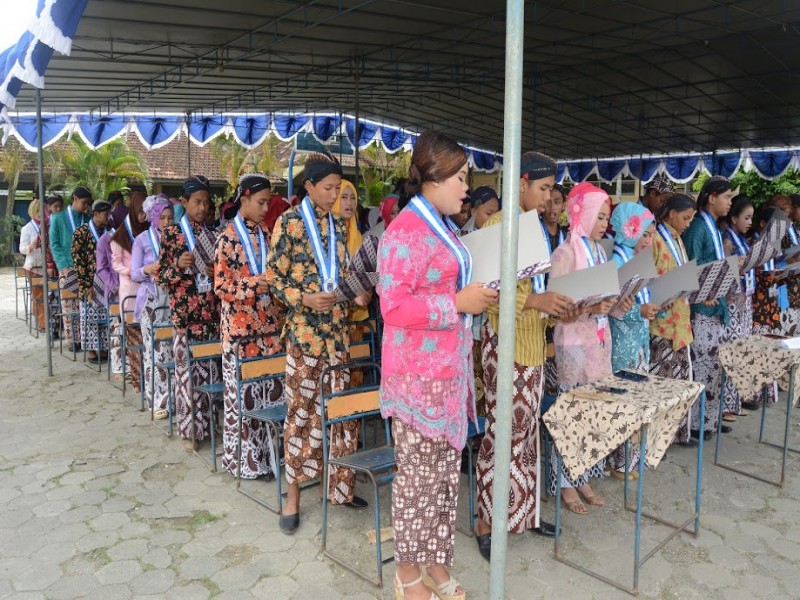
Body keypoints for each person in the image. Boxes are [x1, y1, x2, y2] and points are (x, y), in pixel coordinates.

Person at [379, 130, 497, 600]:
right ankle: (407, 574)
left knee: (444, 478)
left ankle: (435, 561)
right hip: (416, 380)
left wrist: (477, 295)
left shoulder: (442, 226)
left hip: (447, 374)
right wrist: (457, 304)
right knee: (417, 481)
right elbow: (393, 307)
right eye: (461, 178)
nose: (467, 189)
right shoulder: (405, 231)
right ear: (435, 176)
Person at [266, 153, 371, 536]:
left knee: (340, 414)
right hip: (305, 337)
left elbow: (341, 273)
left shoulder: (339, 225)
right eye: (328, 188)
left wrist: (356, 292)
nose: (334, 194)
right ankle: (292, 497)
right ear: (309, 187)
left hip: (337, 335)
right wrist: (304, 299)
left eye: (338, 188)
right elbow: (274, 278)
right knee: (300, 417)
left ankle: (339, 488)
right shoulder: (289, 223)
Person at [475, 152, 573, 561]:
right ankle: (485, 521)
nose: (549, 197)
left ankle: (523, 513)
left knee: (527, 432)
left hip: (532, 342)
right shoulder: (497, 225)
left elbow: (535, 290)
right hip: (505, 345)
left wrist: (558, 307)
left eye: (552, 190)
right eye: (543, 188)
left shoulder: (532, 225)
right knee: (502, 434)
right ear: (521, 184)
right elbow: (489, 293)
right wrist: (537, 301)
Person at [547, 182, 615, 514]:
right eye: (599, 217)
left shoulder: (599, 251)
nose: (604, 224)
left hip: (598, 340)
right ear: (583, 214)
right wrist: (589, 308)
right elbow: (556, 308)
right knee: (571, 414)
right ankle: (565, 482)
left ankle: (582, 476)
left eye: (606, 218)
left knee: (592, 413)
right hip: (573, 342)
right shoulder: (565, 253)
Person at [214, 174, 285, 478]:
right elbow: (221, 287)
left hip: (269, 329)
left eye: (268, 202)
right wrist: (255, 284)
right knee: (244, 400)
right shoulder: (227, 239)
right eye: (261, 202)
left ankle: (271, 460)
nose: (266, 208)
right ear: (244, 199)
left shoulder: (268, 233)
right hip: (241, 334)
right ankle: (247, 464)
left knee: (270, 397)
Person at [156, 176, 221, 449]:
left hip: (211, 317)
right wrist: (179, 266)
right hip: (185, 318)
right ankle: (190, 432)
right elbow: (161, 276)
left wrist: (215, 273)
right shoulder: (172, 235)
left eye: (206, 202)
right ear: (184, 202)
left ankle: (211, 427)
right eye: (196, 202)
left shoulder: (213, 234)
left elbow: (220, 275)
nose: (202, 208)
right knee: (187, 378)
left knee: (211, 374)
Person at [682, 176, 736, 439]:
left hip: (715, 308)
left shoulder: (712, 226)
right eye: (727, 197)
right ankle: (696, 423)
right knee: (702, 367)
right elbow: (690, 267)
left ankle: (710, 420)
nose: (730, 202)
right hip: (702, 311)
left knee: (714, 368)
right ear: (712, 198)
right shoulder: (697, 228)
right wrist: (700, 293)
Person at [608, 202, 657, 478]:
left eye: (651, 235)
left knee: (636, 397)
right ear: (630, 231)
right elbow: (612, 306)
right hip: (622, 340)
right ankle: (619, 462)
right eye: (644, 234)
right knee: (623, 398)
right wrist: (640, 310)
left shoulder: (635, 258)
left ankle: (631, 458)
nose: (648, 240)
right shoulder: (616, 261)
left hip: (637, 338)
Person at [649, 193, 698, 446]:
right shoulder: (655, 240)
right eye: (685, 218)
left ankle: (676, 434)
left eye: (691, 219)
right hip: (662, 323)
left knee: (678, 383)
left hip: (679, 320)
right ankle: (658, 439)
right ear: (671, 214)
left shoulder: (678, 239)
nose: (688, 223)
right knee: (662, 384)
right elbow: (647, 280)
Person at [131, 195, 174, 417]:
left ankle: (173, 400)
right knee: (154, 351)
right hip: (150, 301)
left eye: (170, 218)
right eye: (162, 218)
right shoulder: (141, 240)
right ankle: (156, 401)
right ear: (153, 217)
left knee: (171, 350)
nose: (166, 222)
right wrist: (147, 269)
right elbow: (134, 273)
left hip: (172, 300)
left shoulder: (176, 238)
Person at [110, 191, 150, 391]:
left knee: (148, 338)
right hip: (130, 289)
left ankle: (149, 380)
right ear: (133, 211)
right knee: (135, 338)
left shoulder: (149, 231)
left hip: (147, 287)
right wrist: (132, 271)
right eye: (140, 212)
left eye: (146, 212)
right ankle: (137, 381)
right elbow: (115, 263)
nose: (143, 216)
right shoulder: (120, 235)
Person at [50, 186, 92, 351]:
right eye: (84, 202)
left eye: (88, 203)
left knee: (84, 305)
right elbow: (54, 244)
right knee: (69, 305)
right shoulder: (58, 218)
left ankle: (86, 339)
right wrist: (63, 266)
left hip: (85, 269)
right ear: (75, 199)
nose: (86, 206)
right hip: (67, 268)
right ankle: (73, 341)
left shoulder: (87, 219)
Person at [71, 200, 113, 364]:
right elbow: (78, 261)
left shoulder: (109, 231)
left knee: (103, 314)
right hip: (89, 280)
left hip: (105, 279)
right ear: (95, 214)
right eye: (106, 214)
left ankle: (103, 348)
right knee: (90, 315)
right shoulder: (81, 232)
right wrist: (85, 285)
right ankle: (91, 351)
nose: (108, 216)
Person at [19, 199, 45, 331]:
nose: (40, 214)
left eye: (42, 211)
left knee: (47, 295)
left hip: (46, 266)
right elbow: (21, 249)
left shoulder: (47, 226)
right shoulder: (27, 228)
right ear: (32, 212)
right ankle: (42, 324)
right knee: (39, 295)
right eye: (37, 211)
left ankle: (42, 317)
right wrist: (31, 246)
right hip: (33, 267)